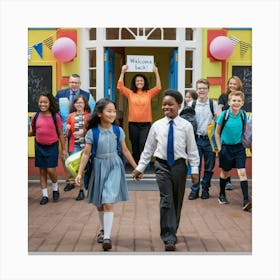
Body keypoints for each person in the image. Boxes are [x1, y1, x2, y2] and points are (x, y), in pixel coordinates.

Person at [132, 89, 199, 251]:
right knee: (166, 199)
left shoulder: (186, 126)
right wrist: (140, 167)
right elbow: (148, 149)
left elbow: (192, 149)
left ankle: (172, 228)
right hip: (161, 165)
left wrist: (195, 170)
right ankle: (168, 236)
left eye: (170, 104)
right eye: (164, 105)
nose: (166, 107)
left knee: (177, 199)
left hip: (179, 166)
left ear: (179, 105)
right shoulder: (157, 125)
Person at [75, 98, 139, 251]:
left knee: (108, 199)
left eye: (114, 111)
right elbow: (86, 154)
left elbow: (125, 150)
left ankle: (107, 237)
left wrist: (137, 167)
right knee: (99, 203)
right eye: (109, 111)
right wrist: (78, 173)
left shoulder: (118, 130)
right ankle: (103, 230)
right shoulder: (92, 132)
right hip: (98, 166)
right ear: (99, 113)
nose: (112, 114)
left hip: (114, 166)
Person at [55, 74, 95, 192]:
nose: (74, 85)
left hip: (81, 131)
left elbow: (92, 112)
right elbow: (55, 110)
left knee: (80, 157)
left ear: (80, 83)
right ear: (69, 83)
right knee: (66, 156)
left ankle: (81, 181)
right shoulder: (60, 94)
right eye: (72, 82)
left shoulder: (87, 95)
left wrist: (85, 129)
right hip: (64, 131)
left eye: (76, 82)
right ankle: (70, 181)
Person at [117, 64, 162, 163]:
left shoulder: (149, 93)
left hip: (146, 124)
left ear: (144, 82)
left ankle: (142, 165)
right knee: (135, 146)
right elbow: (120, 87)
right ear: (135, 82)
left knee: (143, 145)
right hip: (133, 124)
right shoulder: (130, 93)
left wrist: (156, 72)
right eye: (137, 81)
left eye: (141, 80)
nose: (139, 82)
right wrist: (122, 71)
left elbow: (158, 87)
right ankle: (136, 166)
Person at [215, 91, 251, 211]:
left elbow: (246, 132)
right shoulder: (224, 115)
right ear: (229, 102)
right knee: (225, 172)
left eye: (239, 101)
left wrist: (248, 144)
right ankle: (221, 194)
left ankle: (246, 200)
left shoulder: (243, 115)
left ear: (242, 103)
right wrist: (219, 148)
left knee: (242, 172)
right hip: (226, 148)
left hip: (239, 148)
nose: (236, 103)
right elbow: (217, 133)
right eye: (234, 100)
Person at [29, 92, 67, 205]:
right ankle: (44, 195)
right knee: (42, 171)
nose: (43, 104)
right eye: (41, 102)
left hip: (52, 146)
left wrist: (64, 149)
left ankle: (55, 188)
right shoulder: (35, 117)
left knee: (51, 170)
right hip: (39, 146)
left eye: (45, 102)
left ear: (50, 103)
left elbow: (60, 134)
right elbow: (34, 132)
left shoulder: (56, 117)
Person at [188, 78, 218, 200]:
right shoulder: (191, 104)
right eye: (199, 88)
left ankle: (205, 188)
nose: (202, 90)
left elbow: (218, 120)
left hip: (210, 140)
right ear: (196, 90)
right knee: (195, 165)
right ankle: (195, 189)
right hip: (196, 139)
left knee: (209, 167)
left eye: (204, 88)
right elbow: (186, 121)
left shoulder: (213, 104)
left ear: (208, 90)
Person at [217, 76, 243, 190]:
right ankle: (227, 180)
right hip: (224, 126)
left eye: (234, 84)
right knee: (225, 157)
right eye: (230, 83)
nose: (232, 86)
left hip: (235, 130)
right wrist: (220, 117)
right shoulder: (223, 96)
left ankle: (228, 180)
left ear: (238, 85)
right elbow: (219, 109)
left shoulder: (240, 97)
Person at [65, 95, 91, 201]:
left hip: (86, 145)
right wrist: (67, 130)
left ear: (85, 104)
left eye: (81, 102)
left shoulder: (89, 116)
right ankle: (81, 191)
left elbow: (92, 130)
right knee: (77, 169)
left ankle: (89, 188)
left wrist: (83, 132)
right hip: (74, 145)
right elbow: (66, 133)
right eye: (77, 103)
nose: (79, 105)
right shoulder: (70, 116)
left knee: (87, 168)